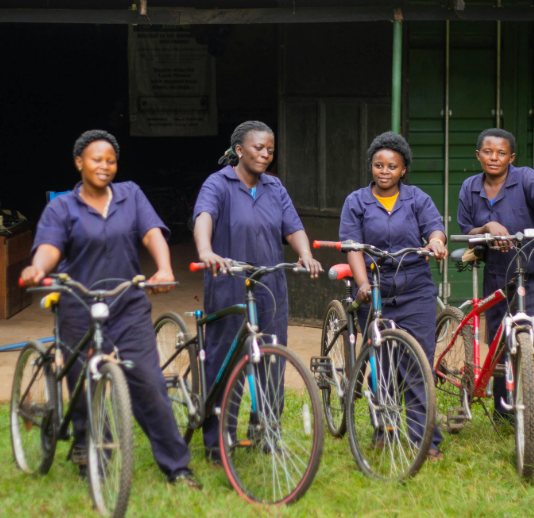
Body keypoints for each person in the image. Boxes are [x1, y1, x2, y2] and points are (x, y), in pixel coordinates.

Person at [21, 130, 199, 488]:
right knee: (85, 383)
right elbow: (50, 247)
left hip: (127, 304)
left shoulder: (131, 194)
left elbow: (152, 232)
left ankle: (177, 467)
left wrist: (164, 268)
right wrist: (39, 268)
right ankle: (91, 451)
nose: (104, 166)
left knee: (149, 383)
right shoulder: (63, 207)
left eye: (110, 160)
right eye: (96, 159)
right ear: (79, 163)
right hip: (77, 305)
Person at [192, 121, 322, 464]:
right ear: (239, 150)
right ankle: (219, 439)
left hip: (269, 285)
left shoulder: (275, 187)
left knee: (271, 358)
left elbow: (292, 227)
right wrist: (206, 250)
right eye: (257, 148)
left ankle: (265, 431)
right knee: (225, 359)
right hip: (228, 282)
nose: (265, 154)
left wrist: (304, 253)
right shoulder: (218, 183)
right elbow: (203, 217)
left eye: (270, 150)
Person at [456, 128, 534, 453]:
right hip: (498, 275)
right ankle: (504, 415)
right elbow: (467, 232)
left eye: (501, 153)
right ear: (478, 155)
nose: (494, 158)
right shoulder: (470, 188)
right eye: (487, 152)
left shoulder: (527, 179)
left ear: (511, 157)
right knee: (499, 344)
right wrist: (485, 228)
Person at [339, 131, 448, 462]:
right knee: (381, 363)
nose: (384, 171)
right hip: (375, 290)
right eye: (378, 165)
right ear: (371, 166)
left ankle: (425, 437)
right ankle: (384, 430)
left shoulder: (417, 198)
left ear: (403, 170)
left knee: (418, 363)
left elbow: (434, 228)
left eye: (392, 166)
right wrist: (362, 284)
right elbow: (352, 247)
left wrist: (437, 242)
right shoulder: (356, 201)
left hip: (416, 288)